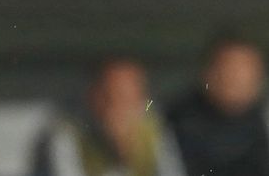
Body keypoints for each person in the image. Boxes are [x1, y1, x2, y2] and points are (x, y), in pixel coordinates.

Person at [31, 58, 185, 176]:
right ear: (94, 99)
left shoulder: (155, 133)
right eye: (111, 98)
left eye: (128, 99)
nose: (119, 109)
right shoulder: (67, 135)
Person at [167, 34, 269, 176]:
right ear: (209, 73)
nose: (238, 78)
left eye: (246, 70)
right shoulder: (176, 121)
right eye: (231, 69)